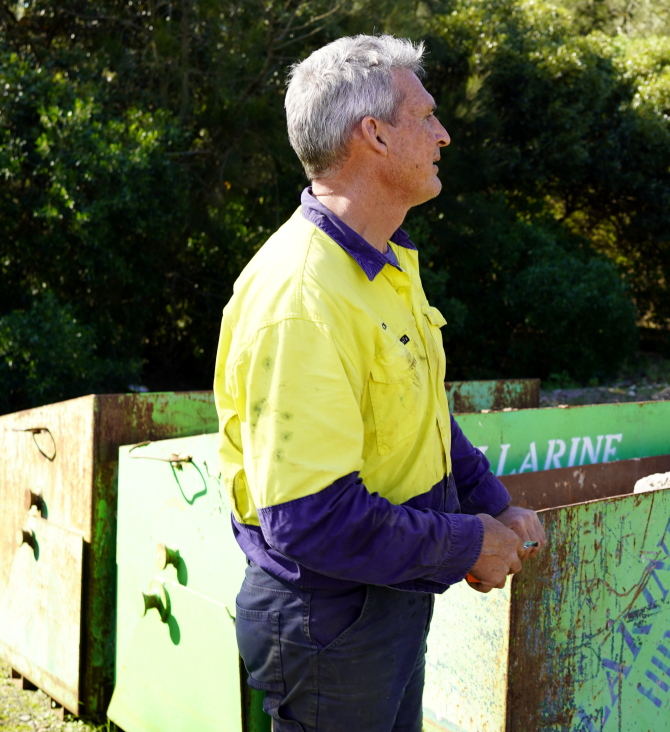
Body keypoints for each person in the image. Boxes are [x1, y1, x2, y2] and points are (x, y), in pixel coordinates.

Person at [212, 34, 546, 731]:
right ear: (374, 135)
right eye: (426, 116)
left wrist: (490, 504)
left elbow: (420, 411)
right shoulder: (303, 297)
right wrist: (466, 542)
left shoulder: (382, 262)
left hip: (383, 598)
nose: (444, 134)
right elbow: (311, 519)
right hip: (330, 620)